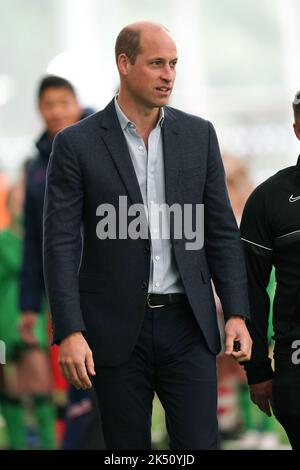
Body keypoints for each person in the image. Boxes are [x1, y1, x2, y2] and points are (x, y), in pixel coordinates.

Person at [44, 21, 252, 450]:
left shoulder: (199, 136)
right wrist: (70, 330)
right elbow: (60, 245)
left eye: (173, 64)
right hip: (115, 329)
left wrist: (236, 312)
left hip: (188, 325)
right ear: (124, 64)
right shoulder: (76, 145)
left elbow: (221, 232)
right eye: (156, 63)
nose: (168, 75)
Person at [19, 75, 103, 449]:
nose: (56, 111)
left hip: (109, 284)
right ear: (40, 110)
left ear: (76, 102)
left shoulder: (105, 141)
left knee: (110, 386)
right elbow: (35, 242)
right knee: (79, 383)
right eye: (48, 105)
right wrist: (28, 305)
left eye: (63, 102)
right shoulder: (36, 167)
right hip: (66, 292)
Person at [240, 90, 300, 450]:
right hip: (295, 366)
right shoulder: (269, 198)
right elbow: (249, 287)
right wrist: (258, 369)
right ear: (297, 129)